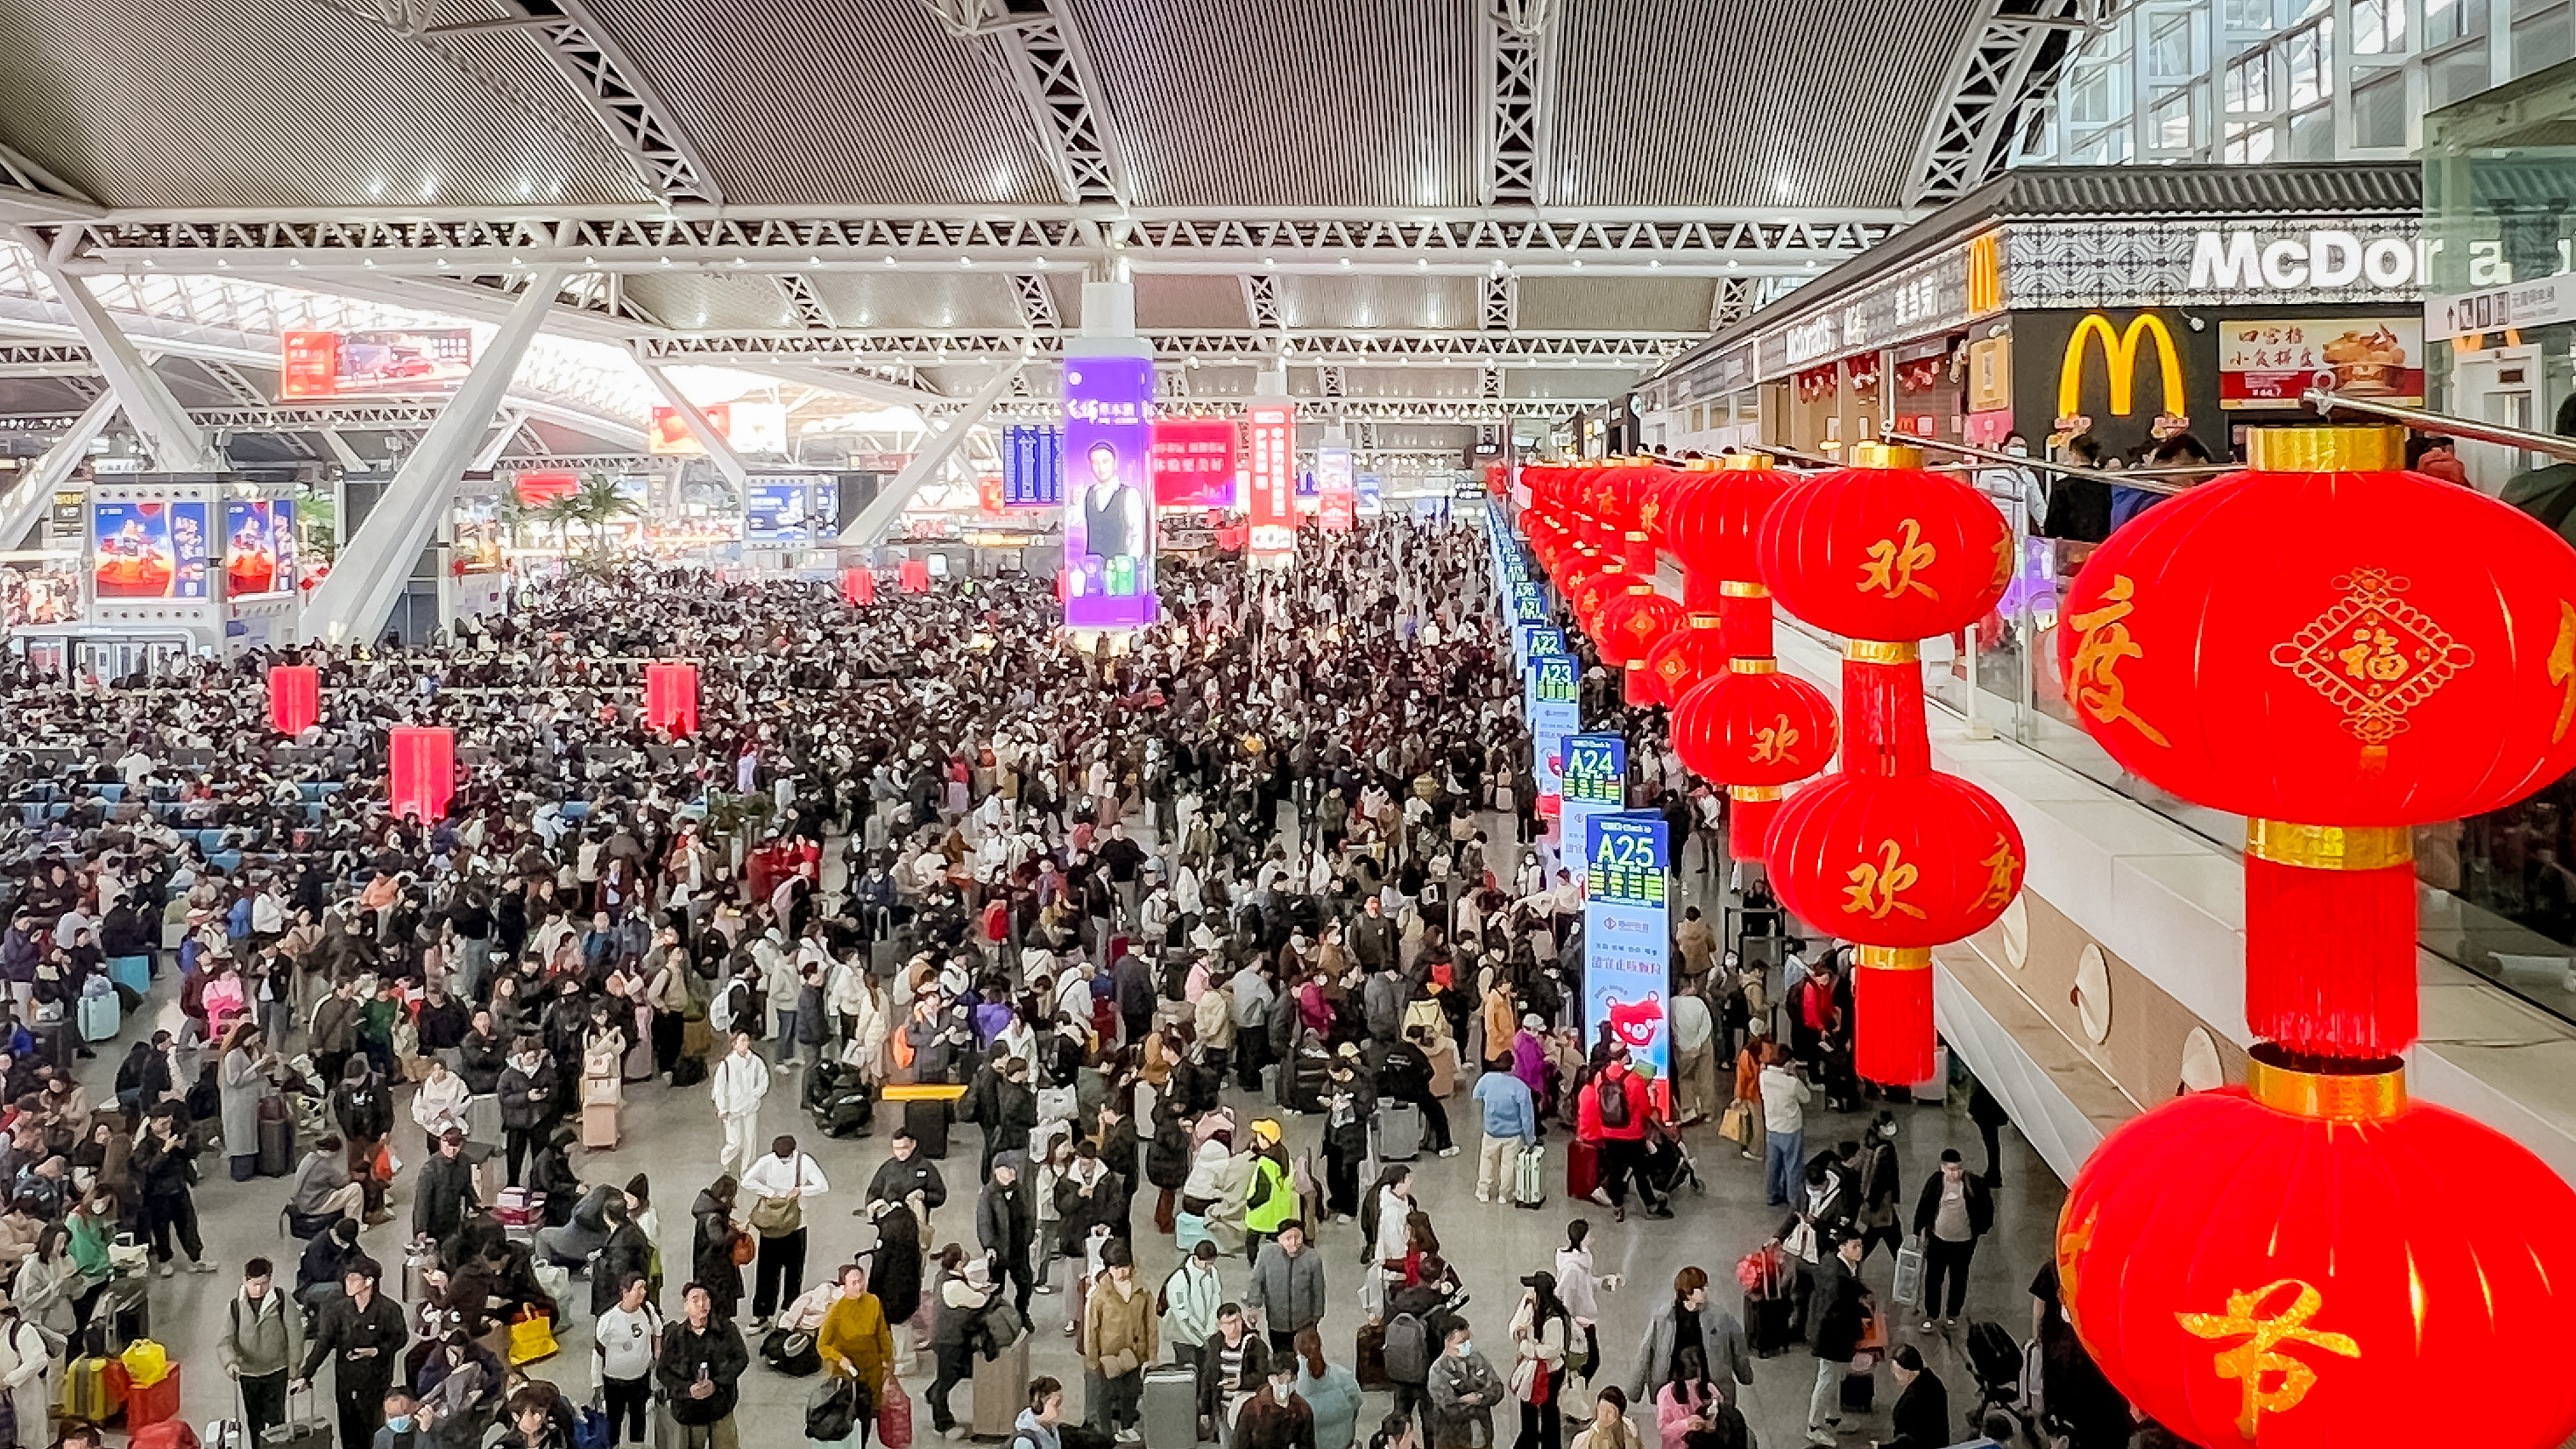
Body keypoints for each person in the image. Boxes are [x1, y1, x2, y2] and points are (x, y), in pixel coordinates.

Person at [294, 1257, 409, 1449]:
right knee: (348, 1432)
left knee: (373, 1432)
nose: (348, 1283)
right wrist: (305, 1374)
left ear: (370, 1281)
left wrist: (377, 1350)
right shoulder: (338, 1310)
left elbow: (400, 1338)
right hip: (347, 1381)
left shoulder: (389, 1310)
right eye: (347, 1278)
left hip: (376, 1382)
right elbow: (324, 1343)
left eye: (354, 1279)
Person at [740, 1134, 830, 1332]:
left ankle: (785, 1312)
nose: (782, 1161)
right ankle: (770, 1313)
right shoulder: (772, 1161)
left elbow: (823, 1185)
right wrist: (776, 1193)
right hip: (786, 1225)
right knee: (773, 1272)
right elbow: (746, 1180)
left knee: (787, 1273)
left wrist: (799, 1190)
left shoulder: (802, 1162)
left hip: (788, 1227)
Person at [1628, 1267, 1750, 1408]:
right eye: (1701, 1288)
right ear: (1688, 1293)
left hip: (1710, 1383)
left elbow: (1738, 1346)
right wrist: (1634, 1389)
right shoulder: (1663, 1318)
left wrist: (1744, 1374)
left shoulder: (1719, 1317)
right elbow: (1645, 1353)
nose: (1706, 1291)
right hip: (1675, 1383)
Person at [220, 1255, 305, 1446]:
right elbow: (225, 1340)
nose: (259, 1289)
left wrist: (294, 1366)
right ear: (245, 1281)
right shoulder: (235, 1307)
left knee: (277, 1421)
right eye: (254, 1284)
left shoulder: (282, 1301)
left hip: (277, 1371)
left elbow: (295, 1335)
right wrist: (230, 1362)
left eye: (264, 1283)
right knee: (254, 1420)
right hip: (248, 1373)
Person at [655, 1283, 749, 1449]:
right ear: (685, 1305)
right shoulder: (676, 1337)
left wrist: (717, 1383)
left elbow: (740, 1359)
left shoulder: (726, 1330)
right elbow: (663, 1372)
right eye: (695, 1299)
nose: (702, 1304)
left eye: (706, 1298)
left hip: (720, 1407)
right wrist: (687, 1390)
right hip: (690, 1412)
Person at [1576, 1048, 1664, 1223]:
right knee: (1641, 1172)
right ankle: (1651, 1206)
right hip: (1632, 1135)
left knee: (1615, 1172)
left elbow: (1596, 1103)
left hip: (1608, 1134)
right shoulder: (1634, 1080)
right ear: (1624, 1058)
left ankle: (1618, 1207)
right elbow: (1646, 1109)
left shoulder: (1600, 1077)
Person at [1910, 1149, 1993, 1332]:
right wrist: (1918, 1231)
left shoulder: (1973, 1183)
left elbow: (1986, 1206)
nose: (1954, 1174)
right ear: (1942, 1168)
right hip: (1938, 1239)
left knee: (1958, 1277)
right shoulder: (1935, 1183)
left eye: (1957, 1169)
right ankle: (1931, 1314)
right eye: (1950, 1169)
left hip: (1964, 1241)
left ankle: (1952, 1314)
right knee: (1933, 1277)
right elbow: (1924, 1205)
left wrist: (1981, 1229)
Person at [131, 1102, 218, 1274]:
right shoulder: (145, 1146)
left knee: (188, 1225)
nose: (167, 1127)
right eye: (163, 1124)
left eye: (169, 1123)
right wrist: (164, 1151)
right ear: (152, 1123)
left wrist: (184, 1146)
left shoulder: (178, 1133)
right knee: (161, 1228)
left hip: (179, 1188)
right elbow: (149, 1169)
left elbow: (193, 1152)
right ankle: (165, 1260)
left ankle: (195, 1259)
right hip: (158, 1194)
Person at [1079, 1240, 1154, 1439]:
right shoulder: (1098, 1295)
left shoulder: (1142, 1291)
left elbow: (1151, 1324)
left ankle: (1127, 1425)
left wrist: (1151, 1354)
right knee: (1106, 1395)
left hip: (1134, 1352)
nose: (1121, 1273)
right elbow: (1091, 1329)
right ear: (1108, 1269)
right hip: (1108, 1356)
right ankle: (1105, 1432)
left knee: (1131, 1392)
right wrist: (1092, 1359)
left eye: (1125, 1267)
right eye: (1116, 1268)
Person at [1803, 1233, 1872, 1448]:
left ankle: (1833, 1417)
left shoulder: (1836, 1262)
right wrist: (1862, 1313)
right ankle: (1813, 1425)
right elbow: (1837, 1308)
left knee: (1833, 1376)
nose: (1859, 1250)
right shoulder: (1837, 1277)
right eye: (1855, 1246)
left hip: (1831, 1332)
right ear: (1842, 1247)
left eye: (1860, 1246)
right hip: (1830, 1336)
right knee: (1826, 1378)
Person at [817, 1262, 895, 1446]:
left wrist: (888, 1358)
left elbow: (882, 1333)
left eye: (860, 1281)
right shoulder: (835, 1311)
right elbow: (823, 1345)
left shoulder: (873, 1302)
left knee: (866, 1415)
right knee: (848, 1416)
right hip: (847, 1376)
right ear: (842, 1286)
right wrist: (839, 1359)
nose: (859, 1286)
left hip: (871, 1370)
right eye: (853, 1282)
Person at [926, 1251, 1001, 1438]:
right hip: (951, 1340)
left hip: (943, 1337)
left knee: (954, 1372)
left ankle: (931, 1395)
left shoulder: (942, 1277)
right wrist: (988, 1291)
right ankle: (943, 1424)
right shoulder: (954, 1286)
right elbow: (980, 1301)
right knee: (947, 1380)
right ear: (958, 1264)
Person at [593, 1274, 662, 1449]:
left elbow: (658, 1328)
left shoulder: (647, 1309)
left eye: (644, 1288)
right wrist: (597, 1384)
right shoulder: (608, 1320)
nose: (643, 1292)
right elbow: (598, 1354)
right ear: (625, 1292)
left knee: (639, 1417)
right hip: (615, 1381)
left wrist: (657, 1352)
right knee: (614, 1419)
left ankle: (636, 1445)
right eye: (638, 1288)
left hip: (640, 1378)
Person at [1506, 1271, 1570, 1449]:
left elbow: (1553, 1349)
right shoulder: (1532, 1307)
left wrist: (1528, 1348)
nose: (1526, 1290)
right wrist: (1523, 1305)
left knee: (1546, 1411)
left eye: (1530, 1288)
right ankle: (1531, 1441)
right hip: (1534, 1369)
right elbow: (1514, 1328)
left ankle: (1543, 1443)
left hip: (1549, 1372)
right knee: (1531, 1409)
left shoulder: (1553, 1319)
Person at [1193, 1301, 1271, 1442]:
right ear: (1220, 1326)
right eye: (1228, 1324)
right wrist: (1205, 1409)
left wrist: (1240, 1383)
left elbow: (1262, 1375)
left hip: (1248, 1406)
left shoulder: (1255, 1344)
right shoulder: (1214, 1344)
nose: (1234, 1327)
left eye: (1236, 1321)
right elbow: (1208, 1376)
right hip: (1222, 1405)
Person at [1246, 1219, 1326, 1354]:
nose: (1293, 1243)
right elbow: (1257, 1280)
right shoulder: (1266, 1254)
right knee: (1280, 1358)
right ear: (1279, 1239)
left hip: (1304, 1322)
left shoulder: (1312, 1258)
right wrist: (1254, 1305)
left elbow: (1318, 1289)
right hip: (1277, 1321)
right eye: (1288, 1238)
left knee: (1305, 1359)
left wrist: (1317, 1315)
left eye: (1297, 1237)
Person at [1425, 1320, 1502, 1449]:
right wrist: (1471, 1402)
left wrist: (1478, 1397)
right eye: (1461, 1342)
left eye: (1468, 1340)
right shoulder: (1438, 1371)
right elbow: (1449, 1408)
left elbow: (1497, 1388)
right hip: (1453, 1439)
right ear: (1447, 1342)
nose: (1467, 1345)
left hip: (1482, 1437)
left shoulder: (1478, 1360)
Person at [978, 1153, 1037, 1317]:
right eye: (1007, 1169)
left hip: (1018, 1248)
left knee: (1025, 1283)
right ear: (996, 1171)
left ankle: (1022, 1313)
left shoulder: (1020, 1191)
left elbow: (1028, 1215)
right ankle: (998, 1319)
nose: (1012, 1172)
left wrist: (1028, 1237)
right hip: (999, 1250)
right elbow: (984, 1222)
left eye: (1013, 1169)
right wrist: (989, 1245)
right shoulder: (988, 1194)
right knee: (996, 1288)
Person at [1469, 1058, 1536, 1205]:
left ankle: (1483, 1191)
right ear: (1513, 1067)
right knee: (1509, 1164)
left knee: (1487, 1160)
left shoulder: (1487, 1079)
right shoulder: (1520, 1087)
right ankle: (1504, 1195)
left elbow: (1475, 1094)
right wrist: (1530, 1139)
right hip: (1513, 1134)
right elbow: (1527, 1117)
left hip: (1491, 1130)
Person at [1652, 1348, 1747, 1449]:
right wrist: (1686, 1424)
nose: (1691, 1386)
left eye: (1696, 1380)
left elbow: (1721, 1418)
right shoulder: (1666, 1394)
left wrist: (1713, 1425)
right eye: (1687, 1381)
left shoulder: (1711, 1390)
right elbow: (1664, 1430)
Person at [1292, 1325, 1363, 1449]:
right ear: (1320, 1346)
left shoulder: (1295, 1392)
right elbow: (1357, 1403)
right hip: (1343, 1442)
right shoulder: (1343, 1376)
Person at [1757, 1046, 1811, 1209]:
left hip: (1772, 1128)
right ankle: (1795, 1201)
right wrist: (1794, 1075)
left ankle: (1772, 1195)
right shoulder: (1792, 1083)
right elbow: (1806, 1098)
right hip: (1790, 1129)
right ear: (1787, 1063)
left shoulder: (1764, 1077)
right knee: (1793, 1166)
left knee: (1773, 1165)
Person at [711, 1032, 771, 1182]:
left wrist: (755, 1095)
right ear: (734, 1044)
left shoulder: (756, 1061)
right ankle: (727, 1162)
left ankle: (747, 1170)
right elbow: (719, 1088)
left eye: (747, 1040)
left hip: (750, 1107)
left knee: (750, 1140)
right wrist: (722, 1108)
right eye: (742, 1041)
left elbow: (764, 1080)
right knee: (735, 1142)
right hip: (732, 1109)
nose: (746, 1044)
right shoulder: (726, 1065)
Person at [1160, 1239, 1225, 1372]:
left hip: (1206, 1333)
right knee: (1188, 1371)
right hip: (1184, 1336)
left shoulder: (1212, 1272)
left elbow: (1215, 1300)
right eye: (1206, 1263)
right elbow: (1183, 1317)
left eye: (1211, 1263)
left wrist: (1210, 1329)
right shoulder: (1179, 1280)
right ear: (1195, 1258)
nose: (1209, 1267)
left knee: (1206, 1369)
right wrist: (1200, 1342)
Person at [0, 1288, 50, 1449]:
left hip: (24, 1396)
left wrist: (9, 1380)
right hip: (3, 1403)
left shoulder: (22, 1330)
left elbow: (38, 1359)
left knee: (29, 1441)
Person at [1874, 1344, 1950, 1449]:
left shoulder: (1915, 1398)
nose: (1893, 1373)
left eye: (1897, 1369)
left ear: (1910, 1371)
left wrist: (1880, 1447)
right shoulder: (1929, 1381)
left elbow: (1911, 1441)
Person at [1233, 1358, 1317, 1449]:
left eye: (1289, 1381)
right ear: (1271, 1379)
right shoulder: (1253, 1408)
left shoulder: (1302, 1409)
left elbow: (1307, 1445)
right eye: (1280, 1381)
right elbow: (1240, 1444)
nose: (1285, 1385)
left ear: (1295, 1380)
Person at [412, 1128, 475, 1245]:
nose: (451, 1150)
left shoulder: (464, 1162)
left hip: (453, 1222)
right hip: (433, 1224)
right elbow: (422, 1201)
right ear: (441, 1142)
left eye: (455, 1146)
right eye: (448, 1145)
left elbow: (467, 1187)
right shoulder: (430, 1169)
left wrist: (474, 1205)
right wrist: (421, 1229)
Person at [1016, 1377, 1067, 1449]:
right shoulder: (1025, 1441)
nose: (1061, 1409)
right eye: (1056, 1404)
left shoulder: (1053, 1432)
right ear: (1040, 1405)